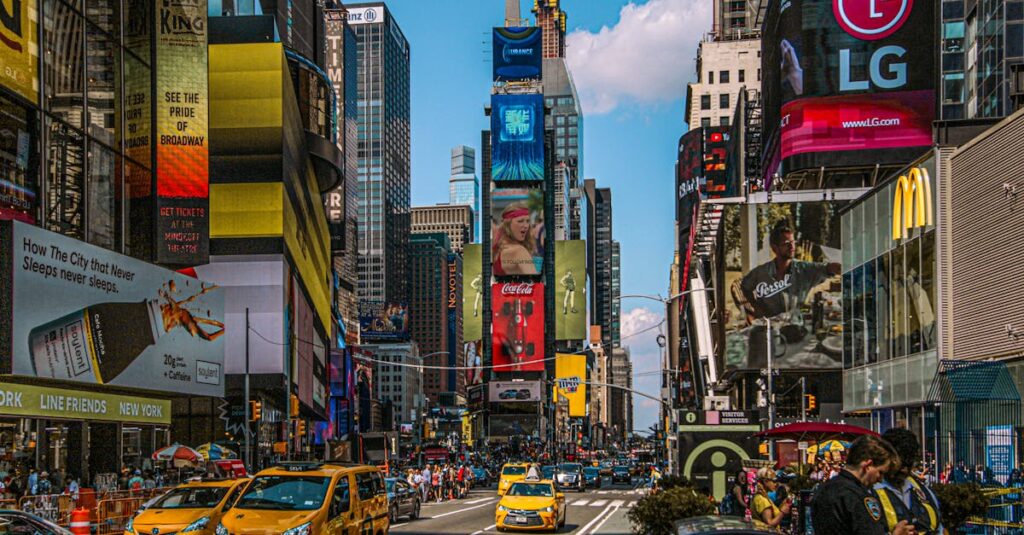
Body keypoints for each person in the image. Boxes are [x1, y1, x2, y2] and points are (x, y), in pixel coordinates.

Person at [739, 225, 841, 368]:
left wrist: (843, 266)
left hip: (797, 330)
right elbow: (745, 285)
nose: (792, 246)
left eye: (793, 242)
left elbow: (826, 268)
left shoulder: (803, 269)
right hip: (771, 332)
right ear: (775, 248)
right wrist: (756, 306)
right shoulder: (761, 272)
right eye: (786, 244)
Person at [811, 435, 914, 535]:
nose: (880, 479)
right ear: (868, 465)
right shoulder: (858, 497)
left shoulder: (822, 490)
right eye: (880, 472)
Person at [874, 428, 944, 535]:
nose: (905, 470)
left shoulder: (924, 492)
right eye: (900, 464)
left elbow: (939, 528)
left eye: (909, 464)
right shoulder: (869, 492)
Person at [491, 203, 538, 276]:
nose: (526, 226)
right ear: (507, 225)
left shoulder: (499, 246)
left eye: (528, 221)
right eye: (520, 221)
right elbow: (534, 282)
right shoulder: (519, 251)